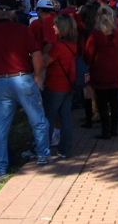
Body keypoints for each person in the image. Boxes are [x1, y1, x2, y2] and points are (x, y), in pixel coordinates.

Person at [0, 2, 53, 177]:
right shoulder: (22, 29)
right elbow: (37, 53)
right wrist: (38, 76)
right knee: (37, 119)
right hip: (22, 78)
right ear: (11, 14)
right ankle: (43, 154)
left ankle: (0, 168)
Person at [83, 7, 118, 140]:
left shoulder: (95, 35)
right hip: (115, 71)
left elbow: (88, 55)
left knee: (102, 103)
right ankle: (114, 129)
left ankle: (105, 130)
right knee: (114, 101)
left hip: (100, 72)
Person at [42, 14, 78, 159]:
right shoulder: (73, 45)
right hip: (69, 84)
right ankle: (65, 149)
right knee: (65, 117)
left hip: (55, 85)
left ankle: (43, 149)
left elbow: (45, 62)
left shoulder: (58, 46)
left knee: (49, 117)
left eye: (56, 25)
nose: (53, 27)